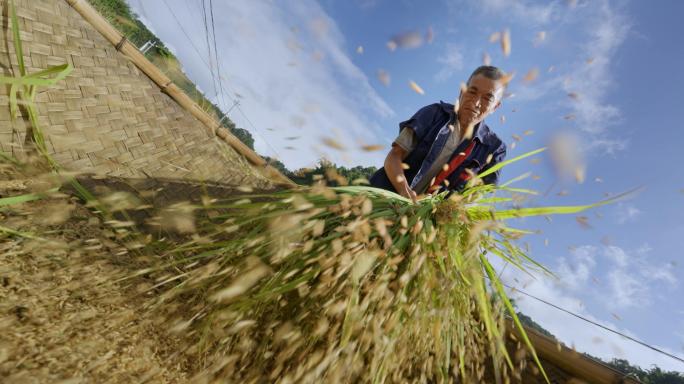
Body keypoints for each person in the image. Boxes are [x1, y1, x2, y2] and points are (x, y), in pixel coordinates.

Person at [369, 65, 508, 202]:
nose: (476, 102)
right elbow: (394, 156)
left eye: (487, 98)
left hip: (424, 222)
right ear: (462, 91)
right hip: (384, 199)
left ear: (495, 106)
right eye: (472, 92)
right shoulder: (434, 113)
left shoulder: (494, 149)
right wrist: (404, 194)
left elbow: (477, 195)